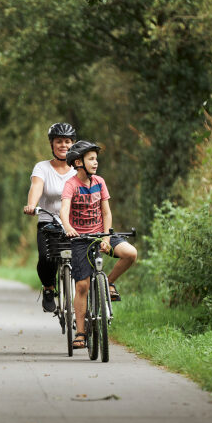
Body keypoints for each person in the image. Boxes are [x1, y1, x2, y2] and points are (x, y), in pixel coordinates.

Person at [59, 140, 138, 349]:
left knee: (130, 253)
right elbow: (63, 211)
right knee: (82, 285)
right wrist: (68, 227)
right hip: (80, 239)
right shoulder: (71, 184)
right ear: (78, 162)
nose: (95, 162)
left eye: (96, 158)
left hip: (101, 234)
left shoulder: (100, 182)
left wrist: (105, 239)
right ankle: (81, 332)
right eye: (91, 159)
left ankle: (108, 283)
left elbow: (106, 212)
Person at [23, 122, 77, 313]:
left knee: (82, 258)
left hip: (74, 224)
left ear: (73, 144)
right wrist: (32, 204)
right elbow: (36, 187)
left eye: (68, 141)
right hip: (49, 222)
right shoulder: (42, 167)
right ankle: (48, 288)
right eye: (59, 141)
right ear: (52, 144)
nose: (64, 145)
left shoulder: (79, 169)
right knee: (46, 258)